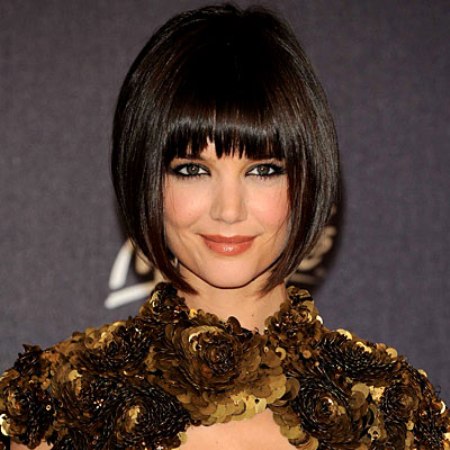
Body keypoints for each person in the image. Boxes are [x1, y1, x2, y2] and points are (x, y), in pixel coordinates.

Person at [1, 4, 449, 450]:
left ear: (307, 181)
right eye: (193, 170)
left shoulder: (393, 415)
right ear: (144, 178)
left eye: (263, 170)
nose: (228, 210)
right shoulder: (51, 409)